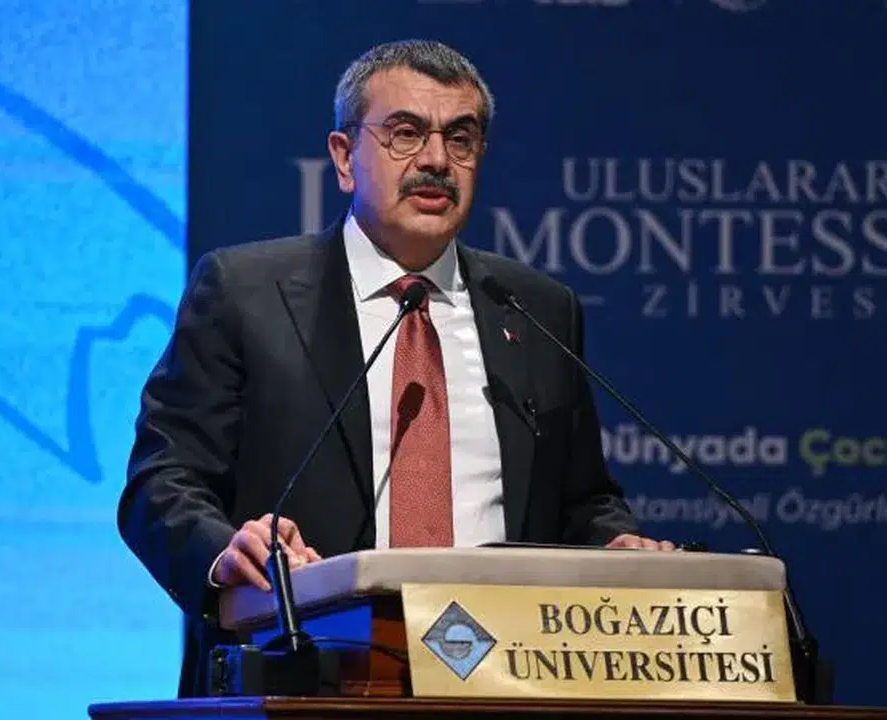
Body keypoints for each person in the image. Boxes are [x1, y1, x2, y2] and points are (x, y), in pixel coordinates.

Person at [117, 39, 673, 698]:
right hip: (306, 681)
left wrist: (616, 547)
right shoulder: (245, 293)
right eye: (405, 134)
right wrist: (227, 552)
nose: (436, 160)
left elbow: (583, 500)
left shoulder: (537, 309)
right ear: (344, 157)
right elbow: (163, 482)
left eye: (460, 139)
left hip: (504, 686)